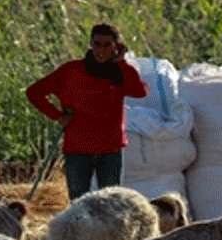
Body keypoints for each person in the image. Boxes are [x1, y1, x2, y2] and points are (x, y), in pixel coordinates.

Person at [26, 22, 149, 200]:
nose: (101, 50)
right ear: (90, 44)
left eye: (108, 45)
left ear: (117, 47)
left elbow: (140, 92)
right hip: (78, 147)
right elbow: (34, 92)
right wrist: (57, 116)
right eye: (97, 44)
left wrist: (122, 62)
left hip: (110, 148)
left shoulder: (120, 72)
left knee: (111, 204)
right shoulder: (71, 71)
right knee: (78, 204)